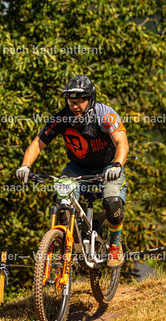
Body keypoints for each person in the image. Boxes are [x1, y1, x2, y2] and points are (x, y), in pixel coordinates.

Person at [15, 75, 129, 268]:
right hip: (77, 167)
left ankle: (115, 246)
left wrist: (117, 165)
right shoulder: (61, 118)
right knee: (62, 201)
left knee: (112, 202)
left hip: (108, 166)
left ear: (91, 99)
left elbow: (122, 143)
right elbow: (37, 144)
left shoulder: (105, 115)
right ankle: (67, 247)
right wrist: (25, 166)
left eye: (80, 101)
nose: (75, 106)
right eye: (71, 101)